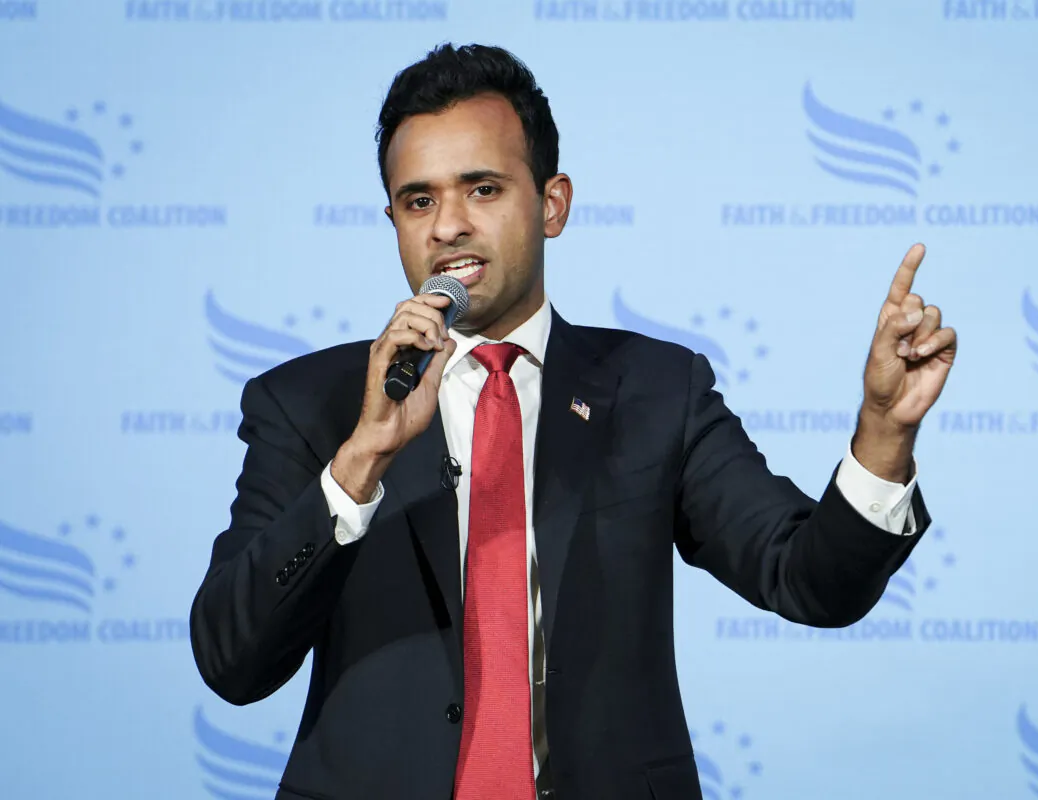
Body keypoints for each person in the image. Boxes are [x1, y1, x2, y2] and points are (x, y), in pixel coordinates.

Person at [189, 43, 957, 800]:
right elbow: (232, 662)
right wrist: (361, 462)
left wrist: (884, 432)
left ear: (551, 204)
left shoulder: (657, 390)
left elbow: (809, 581)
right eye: (418, 200)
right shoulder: (312, 404)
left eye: (482, 190)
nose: (447, 226)